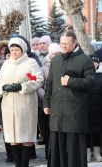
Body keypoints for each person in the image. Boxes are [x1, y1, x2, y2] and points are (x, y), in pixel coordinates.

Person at [43, 30, 97, 167]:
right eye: (61, 43)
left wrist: (71, 81)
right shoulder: (55, 60)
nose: (64, 46)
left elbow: (91, 81)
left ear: (75, 43)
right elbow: (49, 84)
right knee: (56, 151)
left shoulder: (85, 60)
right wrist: (46, 103)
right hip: (56, 112)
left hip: (75, 113)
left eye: (66, 44)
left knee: (74, 153)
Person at [0, 37, 44, 167]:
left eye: (17, 50)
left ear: (23, 50)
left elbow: (39, 80)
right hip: (9, 105)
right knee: (12, 137)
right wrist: (4, 86)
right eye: (12, 49)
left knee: (26, 136)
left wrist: (22, 86)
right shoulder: (6, 64)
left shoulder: (31, 62)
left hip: (25, 105)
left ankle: (25, 163)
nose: (14, 52)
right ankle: (17, 163)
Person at [37, 43, 62, 159]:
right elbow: (39, 87)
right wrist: (47, 99)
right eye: (54, 54)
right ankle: (49, 154)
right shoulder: (43, 69)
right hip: (48, 105)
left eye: (58, 53)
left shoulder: (63, 66)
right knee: (48, 131)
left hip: (61, 105)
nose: (56, 56)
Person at [87, 54, 102, 162]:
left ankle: (97, 152)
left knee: (97, 131)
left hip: (98, 108)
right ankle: (87, 152)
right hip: (86, 108)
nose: (93, 64)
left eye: (94, 62)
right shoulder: (84, 74)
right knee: (86, 131)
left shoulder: (101, 76)